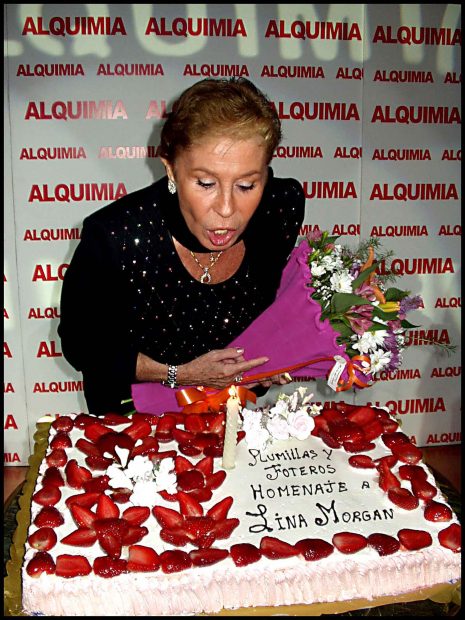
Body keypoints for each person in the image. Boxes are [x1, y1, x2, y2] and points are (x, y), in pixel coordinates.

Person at [58, 78, 305, 416]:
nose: (227, 209)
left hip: (232, 411)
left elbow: (270, 305)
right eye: (205, 183)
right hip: (134, 416)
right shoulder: (115, 235)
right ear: (170, 168)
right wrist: (183, 375)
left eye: (247, 184)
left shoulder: (280, 208)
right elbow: (83, 346)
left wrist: (270, 362)